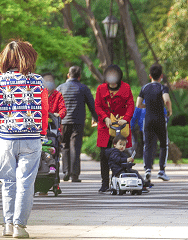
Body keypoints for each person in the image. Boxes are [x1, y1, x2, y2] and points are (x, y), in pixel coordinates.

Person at [0, 39, 49, 240]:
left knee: (7, 181)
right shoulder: (38, 81)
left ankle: (7, 224)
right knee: (26, 182)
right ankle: (20, 226)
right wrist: (42, 133)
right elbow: (44, 109)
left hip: (6, 137)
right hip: (31, 137)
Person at [95, 64, 134, 193]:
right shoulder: (100, 89)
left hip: (121, 125)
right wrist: (105, 118)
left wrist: (126, 118)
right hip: (105, 126)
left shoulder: (126, 88)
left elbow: (131, 105)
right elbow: (98, 106)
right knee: (104, 155)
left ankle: (121, 179)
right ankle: (105, 183)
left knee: (121, 153)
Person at [56, 65, 97, 182]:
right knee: (75, 147)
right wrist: (96, 119)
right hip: (78, 122)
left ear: (68, 75)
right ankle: (74, 175)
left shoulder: (60, 88)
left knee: (64, 146)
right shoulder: (83, 88)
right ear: (79, 77)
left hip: (63, 122)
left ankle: (65, 172)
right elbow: (92, 106)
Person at [136, 63, 173, 183]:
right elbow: (166, 100)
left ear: (149, 75)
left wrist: (148, 105)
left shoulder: (144, 88)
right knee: (163, 144)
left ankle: (147, 170)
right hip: (160, 119)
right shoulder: (163, 87)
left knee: (147, 145)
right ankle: (162, 170)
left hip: (148, 120)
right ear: (161, 76)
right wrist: (169, 110)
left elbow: (138, 104)